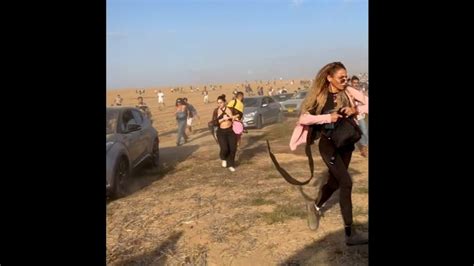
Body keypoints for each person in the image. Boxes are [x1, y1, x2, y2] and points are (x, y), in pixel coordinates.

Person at [289, 62, 369, 246]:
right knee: (346, 182)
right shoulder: (320, 96)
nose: (345, 80)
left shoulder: (349, 92)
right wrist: (327, 117)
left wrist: (355, 109)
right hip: (329, 145)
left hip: (346, 143)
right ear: (329, 77)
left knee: (334, 182)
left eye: (346, 77)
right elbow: (304, 117)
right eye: (341, 77)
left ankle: (314, 206)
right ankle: (350, 233)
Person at [212, 94, 238, 172]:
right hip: (221, 132)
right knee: (225, 148)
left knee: (233, 148)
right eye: (218, 103)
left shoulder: (230, 109)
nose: (219, 104)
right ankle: (223, 158)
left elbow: (238, 115)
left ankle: (231, 164)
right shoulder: (216, 111)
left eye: (221, 102)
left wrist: (233, 117)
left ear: (225, 102)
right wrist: (223, 119)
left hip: (231, 131)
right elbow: (214, 122)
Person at [350, 76, 369, 157]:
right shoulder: (348, 92)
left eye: (357, 83)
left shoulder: (360, 92)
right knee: (352, 133)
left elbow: (365, 102)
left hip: (360, 115)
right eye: (354, 83)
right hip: (351, 116)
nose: (356, 84)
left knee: (364, 131)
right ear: (351, 83)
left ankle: (364, 148)